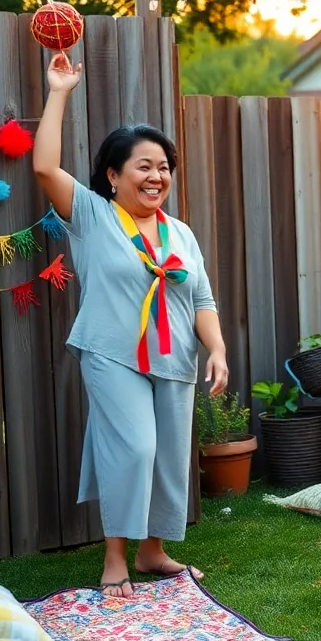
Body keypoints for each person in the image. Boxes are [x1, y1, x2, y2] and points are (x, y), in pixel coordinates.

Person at [33, 53, 229, 596]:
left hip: (174, 359)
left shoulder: (180, 233)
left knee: (167, 455)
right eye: (143, 166)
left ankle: (153, 552)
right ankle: (115, 556)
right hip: (112, 352)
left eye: (164, 166)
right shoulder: (92, 216)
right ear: (114, 175)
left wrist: (216, 349)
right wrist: (59, 91)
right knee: (134, 448)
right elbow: (45, 167)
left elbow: (202, 297)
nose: (157, 175)